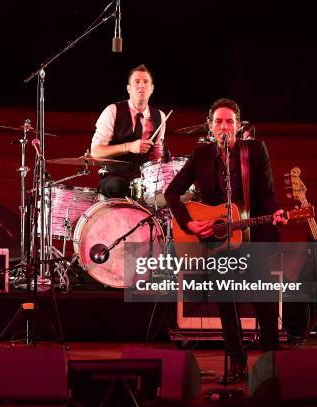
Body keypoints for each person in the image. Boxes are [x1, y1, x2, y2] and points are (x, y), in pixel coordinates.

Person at [164, 98, 286, 382]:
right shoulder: (202, 154)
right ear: (210, 127)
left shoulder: (255, 150)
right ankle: (237, 361)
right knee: (224, 299)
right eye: (218, 121)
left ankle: (272, 362)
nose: (224, 126)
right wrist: (190, 223)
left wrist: (274, 211)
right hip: (218, 239)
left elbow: (266, 192)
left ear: (239, 127)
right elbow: (172, 193)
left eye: (229, 121)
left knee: (264, 299)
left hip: (254, 232)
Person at [91, 64, 167, 198]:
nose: (141, 85)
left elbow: (156, 154)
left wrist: (163, 172)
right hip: (114, 176)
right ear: (129, 89)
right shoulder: (112, 111)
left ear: (152, 89)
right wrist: (128, 147)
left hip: (143, 179)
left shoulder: (160, 116)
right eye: (137, 82)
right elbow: (96, 152)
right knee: (117, 186)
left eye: (146, 82)